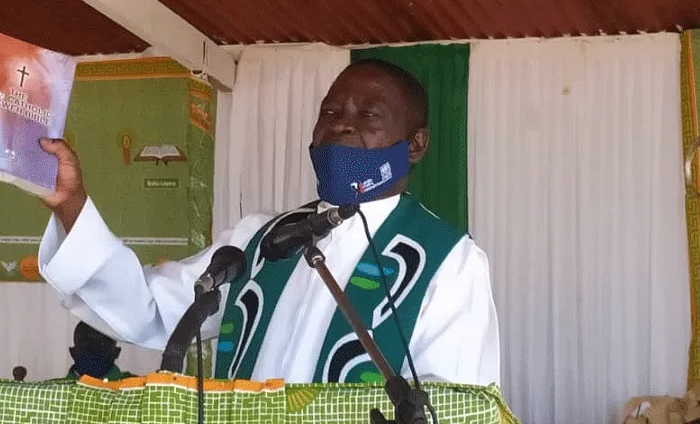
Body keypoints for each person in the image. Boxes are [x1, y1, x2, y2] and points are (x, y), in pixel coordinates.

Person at [37, 59, 500, 386]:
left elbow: (454, 416)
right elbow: (150, 309)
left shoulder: (448, 262)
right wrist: (71, 204)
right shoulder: (261, 239)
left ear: (415, 145)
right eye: (330, 112)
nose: (340, 125)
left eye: (369, 116)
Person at [65, 321, 134, 381]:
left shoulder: (138, 388)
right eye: (86, 344)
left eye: (102, 344)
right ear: (72, 352)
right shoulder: (56, 390)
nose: (93, 349)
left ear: (117, 352)